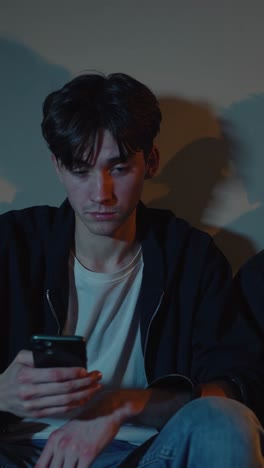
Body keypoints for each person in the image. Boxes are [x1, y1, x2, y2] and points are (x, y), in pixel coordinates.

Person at [0, 72, 263, 467]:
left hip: (145, 456)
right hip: (22, 456)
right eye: (81, 170)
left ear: (150, 162)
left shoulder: (190, 257)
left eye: (119, 168)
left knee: (224, 421)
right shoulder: (12, 244)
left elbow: (235, 385)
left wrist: (123, 405)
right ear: (58, 167)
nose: (101, 194)